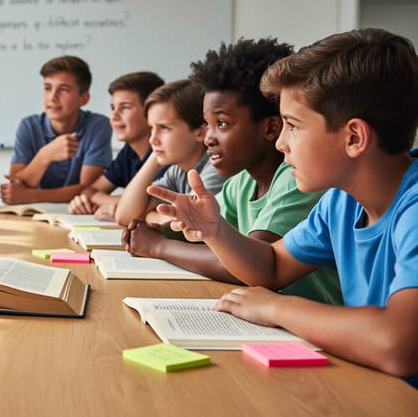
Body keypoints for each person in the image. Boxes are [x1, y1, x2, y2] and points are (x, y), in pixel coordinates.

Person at [148, 29, 417, 383]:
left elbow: (399, 345)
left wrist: (276, 307)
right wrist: (216, 231)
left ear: (354, 137)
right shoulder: (341, 201)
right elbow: (272, 266)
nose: (281, 144)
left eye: (293, 126)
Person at [125, 38, 342, 304]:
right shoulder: (240, 183)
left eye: (222, 123)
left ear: (270, 128)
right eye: (207, 124)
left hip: (309, 324)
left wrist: (157, 246)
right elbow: (210, 235)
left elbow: (250, 268)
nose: (208, 138)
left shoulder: (297, 180)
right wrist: (165, 228)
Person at [0, 55, 112, 204]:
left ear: (83, 98)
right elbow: (15, 188)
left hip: (79, 213)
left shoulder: (98, 126)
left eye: (63, 89)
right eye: (47, 88)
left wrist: (30, 196)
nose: (52, 97)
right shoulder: (28, 126)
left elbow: (88, 191)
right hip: (37, 213)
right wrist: (44, 156)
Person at [112, 79, 225, 226]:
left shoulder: (217, 168)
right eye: (152, 128)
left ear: (200, 132)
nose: (152, 139)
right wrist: (155, 156)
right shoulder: (178, 171)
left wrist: (149, 217)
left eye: (164, 128)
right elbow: (124, 216)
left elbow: (189, 223)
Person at [68, 71, 165, 217]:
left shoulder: (168, 154)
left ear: (152, 111)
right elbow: (88, 191)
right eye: (113, 108)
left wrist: (117, 203)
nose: (114, 116)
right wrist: (120, 203)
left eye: (125, 107)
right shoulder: (129, 152)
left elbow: (155, 205)